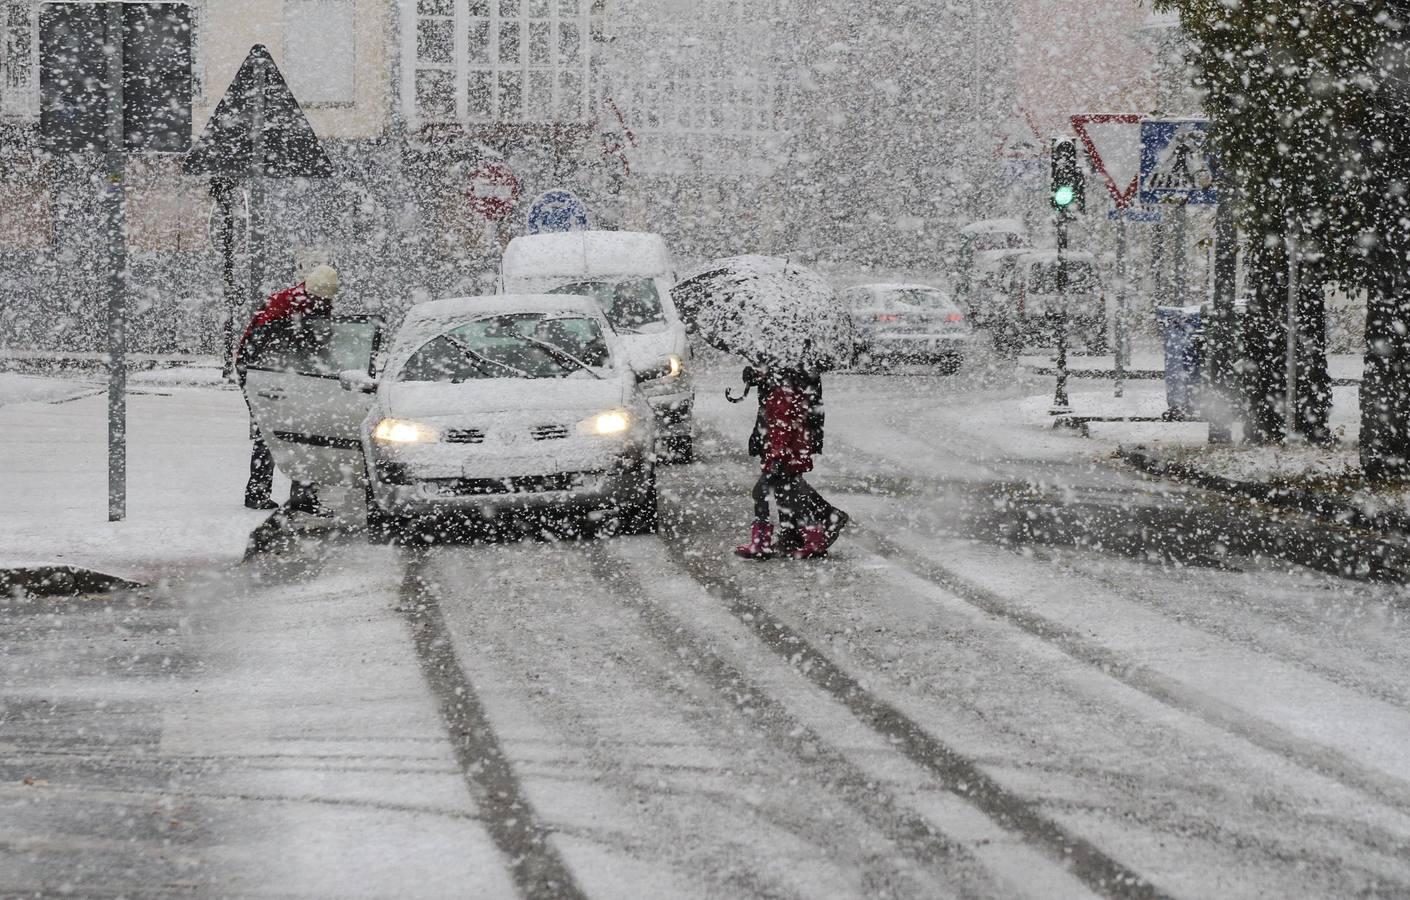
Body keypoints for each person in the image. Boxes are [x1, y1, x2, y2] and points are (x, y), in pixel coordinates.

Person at [236, 264, 340, 513]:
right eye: (319, 298)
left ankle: (300, 496)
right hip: (264, 373)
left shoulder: (315, 303)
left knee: (306, 431)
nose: (322, 302)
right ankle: (261, 493)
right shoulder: (283, 305)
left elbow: (319, 343)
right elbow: (262, 345)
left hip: (291, 374)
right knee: (271, 431)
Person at [733, 365, 849, 558]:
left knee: (783, 492)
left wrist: (778, 456)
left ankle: (791, 538)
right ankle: (808, 536)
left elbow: (784, 428)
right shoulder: (780, 387)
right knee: (789, 492)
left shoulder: (787, 390)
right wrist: (757, 376)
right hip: (784, 448)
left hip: (785, 452)